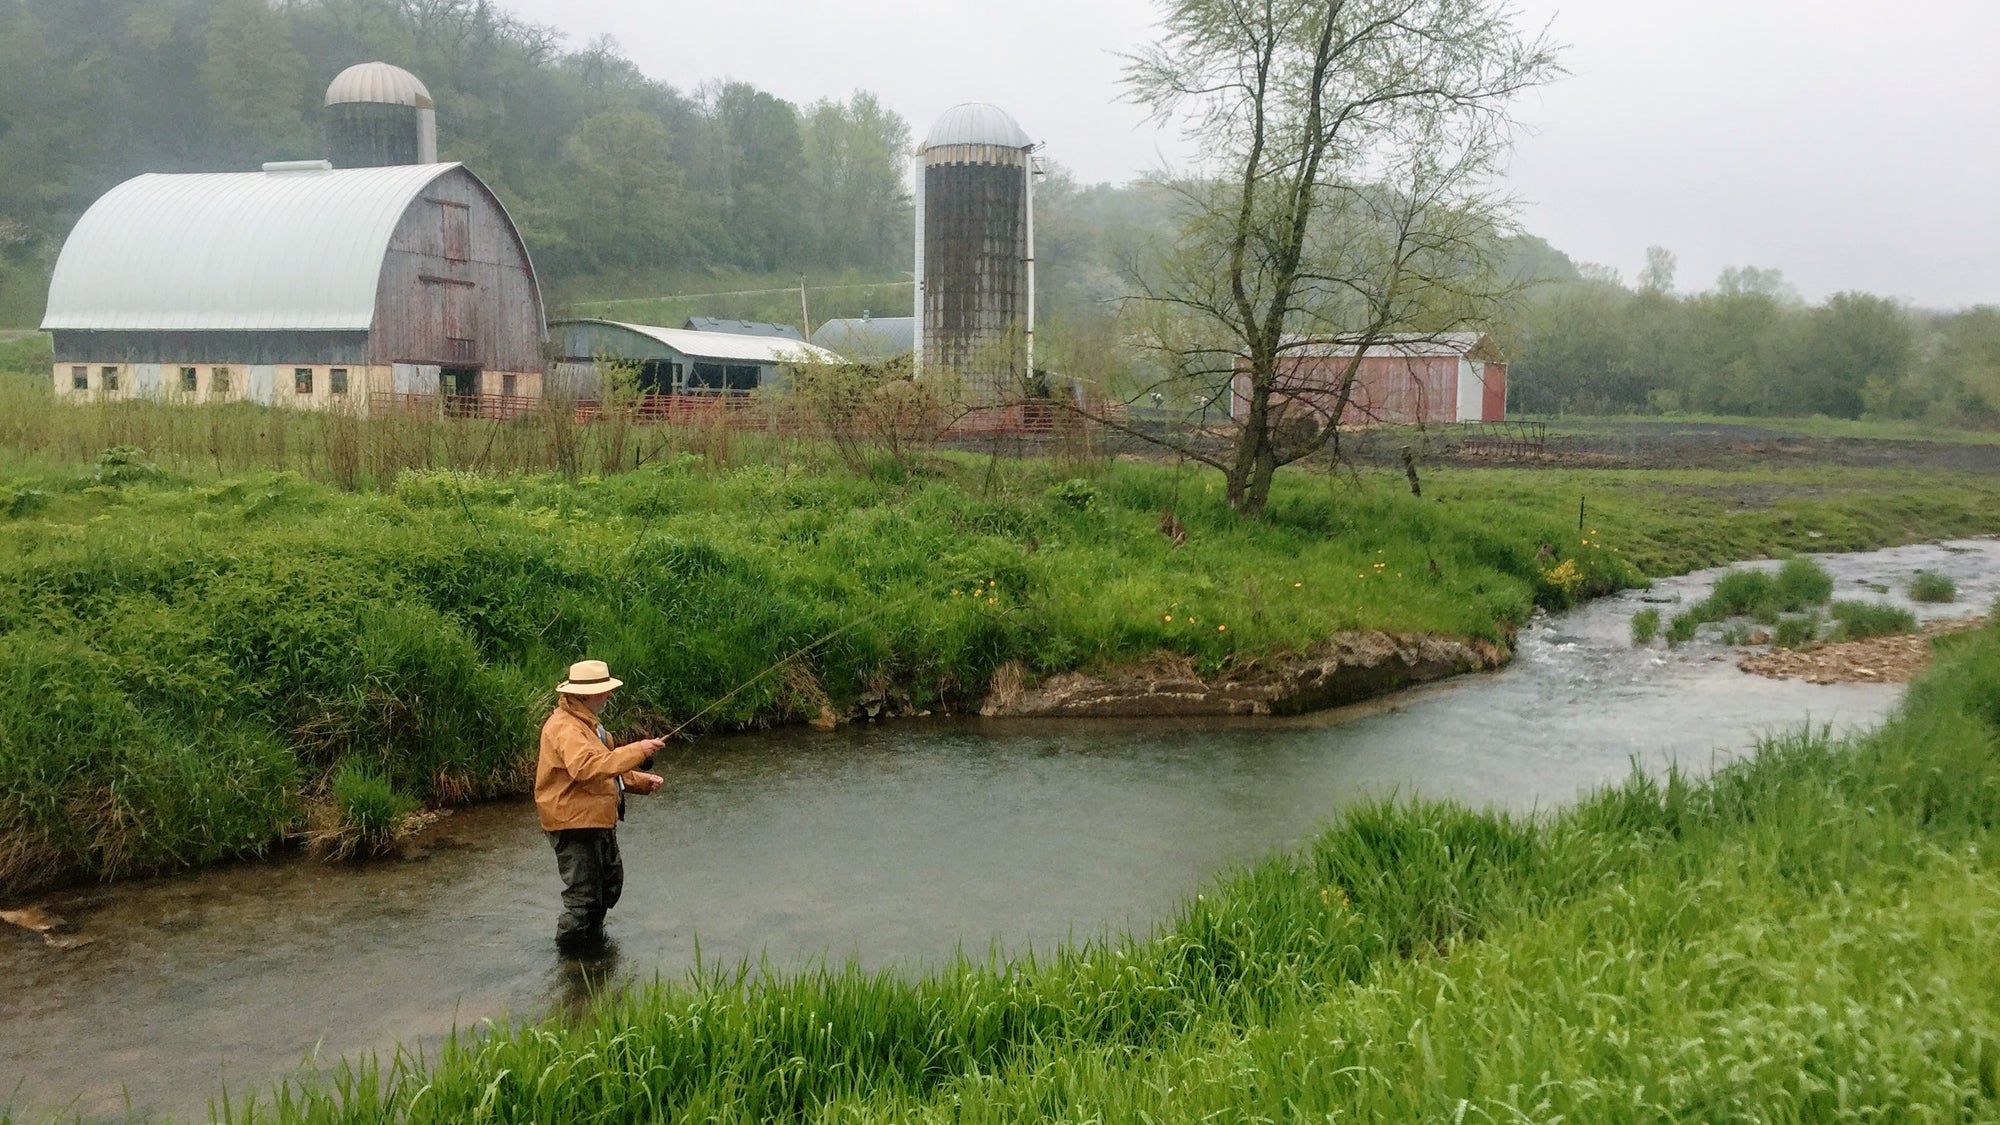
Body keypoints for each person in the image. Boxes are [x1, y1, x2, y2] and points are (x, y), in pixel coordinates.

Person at [536, 659, 666, 952]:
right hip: (573, 824)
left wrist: (641, 782)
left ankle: (594, 952)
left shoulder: (590, 727)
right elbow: (587, 767)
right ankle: (571, 962)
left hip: (595, 819)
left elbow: (607, 769)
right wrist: (638, 750)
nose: (609, 696)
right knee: (583, 898)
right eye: (605, 691)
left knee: (608, 887)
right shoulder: (565, 729)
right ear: (585, 695)